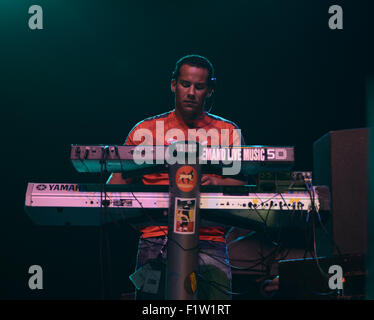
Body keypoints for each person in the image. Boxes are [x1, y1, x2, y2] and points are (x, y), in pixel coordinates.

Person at [107, 54, 247, 299]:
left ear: (210, 90)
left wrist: (217, 182)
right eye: (185, 84)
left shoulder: (228, 131)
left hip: (210, 239)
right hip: (156, 238)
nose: (191, 92)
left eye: (199, 86)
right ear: (174, 84)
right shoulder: (144, 131)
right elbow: (115, 188)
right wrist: (143, 214)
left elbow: (242, 184)